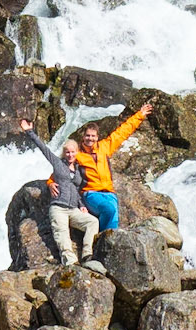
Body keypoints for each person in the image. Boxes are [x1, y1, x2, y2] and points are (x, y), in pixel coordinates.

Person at [16, 116, 99, 264]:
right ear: (64, 153)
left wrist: (82, 205)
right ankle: (71, 263)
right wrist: (29, 131)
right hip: (58, 208)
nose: (70, 155)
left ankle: (87, 254)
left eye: (73, 152)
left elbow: (77, 189)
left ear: (77, 152)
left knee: (92, 222)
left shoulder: (80, 169)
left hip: (73, 209)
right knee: (62, 235)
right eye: (67, 152)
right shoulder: (58, 164)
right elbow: (43, 148)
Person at [73, 103, 153, 233]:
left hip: (110, 193)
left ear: (97, 137)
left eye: (93, 136)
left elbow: (122, 132)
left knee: (114, 225)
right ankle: (98, 236)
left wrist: (140, 115)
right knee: (109, 210)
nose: (90, 139)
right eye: (88, 136)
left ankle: (102, 243)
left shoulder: (104, 147)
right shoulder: (77, 154)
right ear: (83, 136)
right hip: (91, 194)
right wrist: (51, 182)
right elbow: (62, 168)